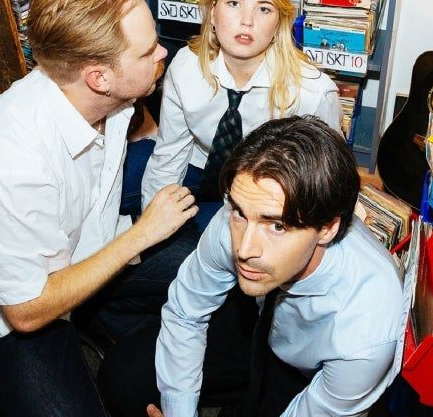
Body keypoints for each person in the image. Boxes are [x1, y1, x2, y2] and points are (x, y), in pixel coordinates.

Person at [0, 0, 198, 417]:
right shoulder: (4, 166)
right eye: (147, 51)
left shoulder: (109, 97)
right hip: (23, 313)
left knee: (211, 257)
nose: (162, 53)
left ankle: (106, 324)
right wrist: (141, 234)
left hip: (89, 249)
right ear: (98, 77)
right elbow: (26, 310)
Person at [103, 116, 405, 417]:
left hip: (309, 374)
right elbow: (186, 311)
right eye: (239, 213)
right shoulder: (245, 212)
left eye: (277, 226)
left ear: (327, 229)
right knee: (121, 379)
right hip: (253, 316)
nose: (244, 249)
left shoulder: (363, 336)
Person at [140, 0, 342, 232]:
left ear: (278, 25)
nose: (247, 21)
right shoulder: (186, 66)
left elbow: (328, 178)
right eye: (234, 3)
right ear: (213, 12)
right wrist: (149, 229)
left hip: (268, 190)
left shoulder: (312, 92)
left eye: (264, 9)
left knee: (218, 246)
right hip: (198, 170)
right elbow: (169, 155)